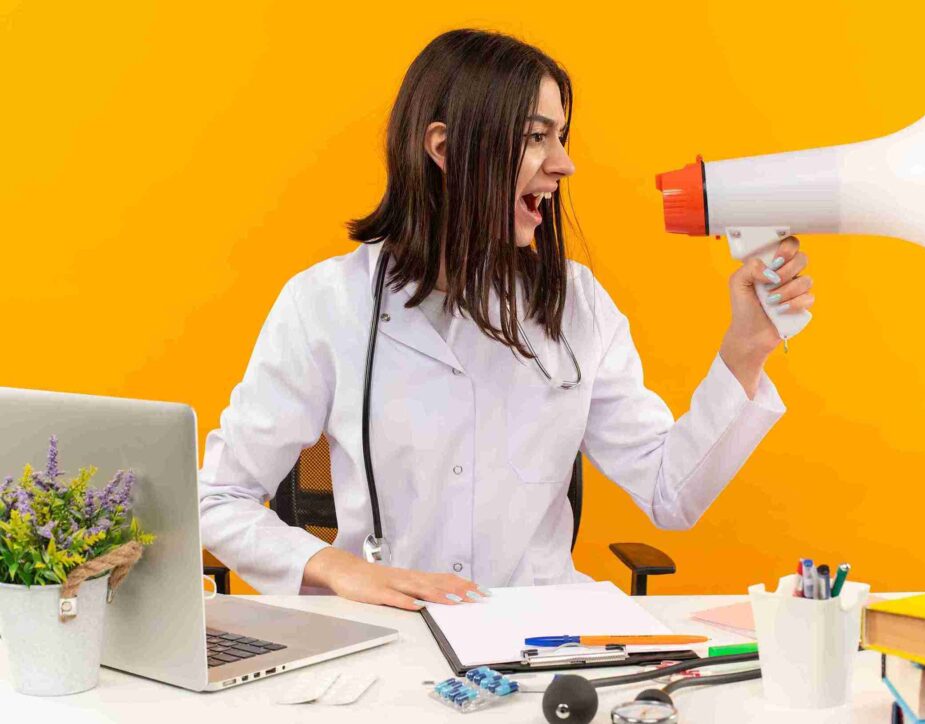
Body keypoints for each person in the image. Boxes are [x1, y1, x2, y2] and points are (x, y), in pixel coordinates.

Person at [198, 29, 814, 611]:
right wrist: (342, 569)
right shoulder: (325, 304)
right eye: (536, 136)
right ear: (444, 149)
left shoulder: (576, 303)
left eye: (562, 136)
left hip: (540, 632)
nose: (564, 164)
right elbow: (219, 498)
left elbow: (668, 493)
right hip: (392, 632)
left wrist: (746, 351)